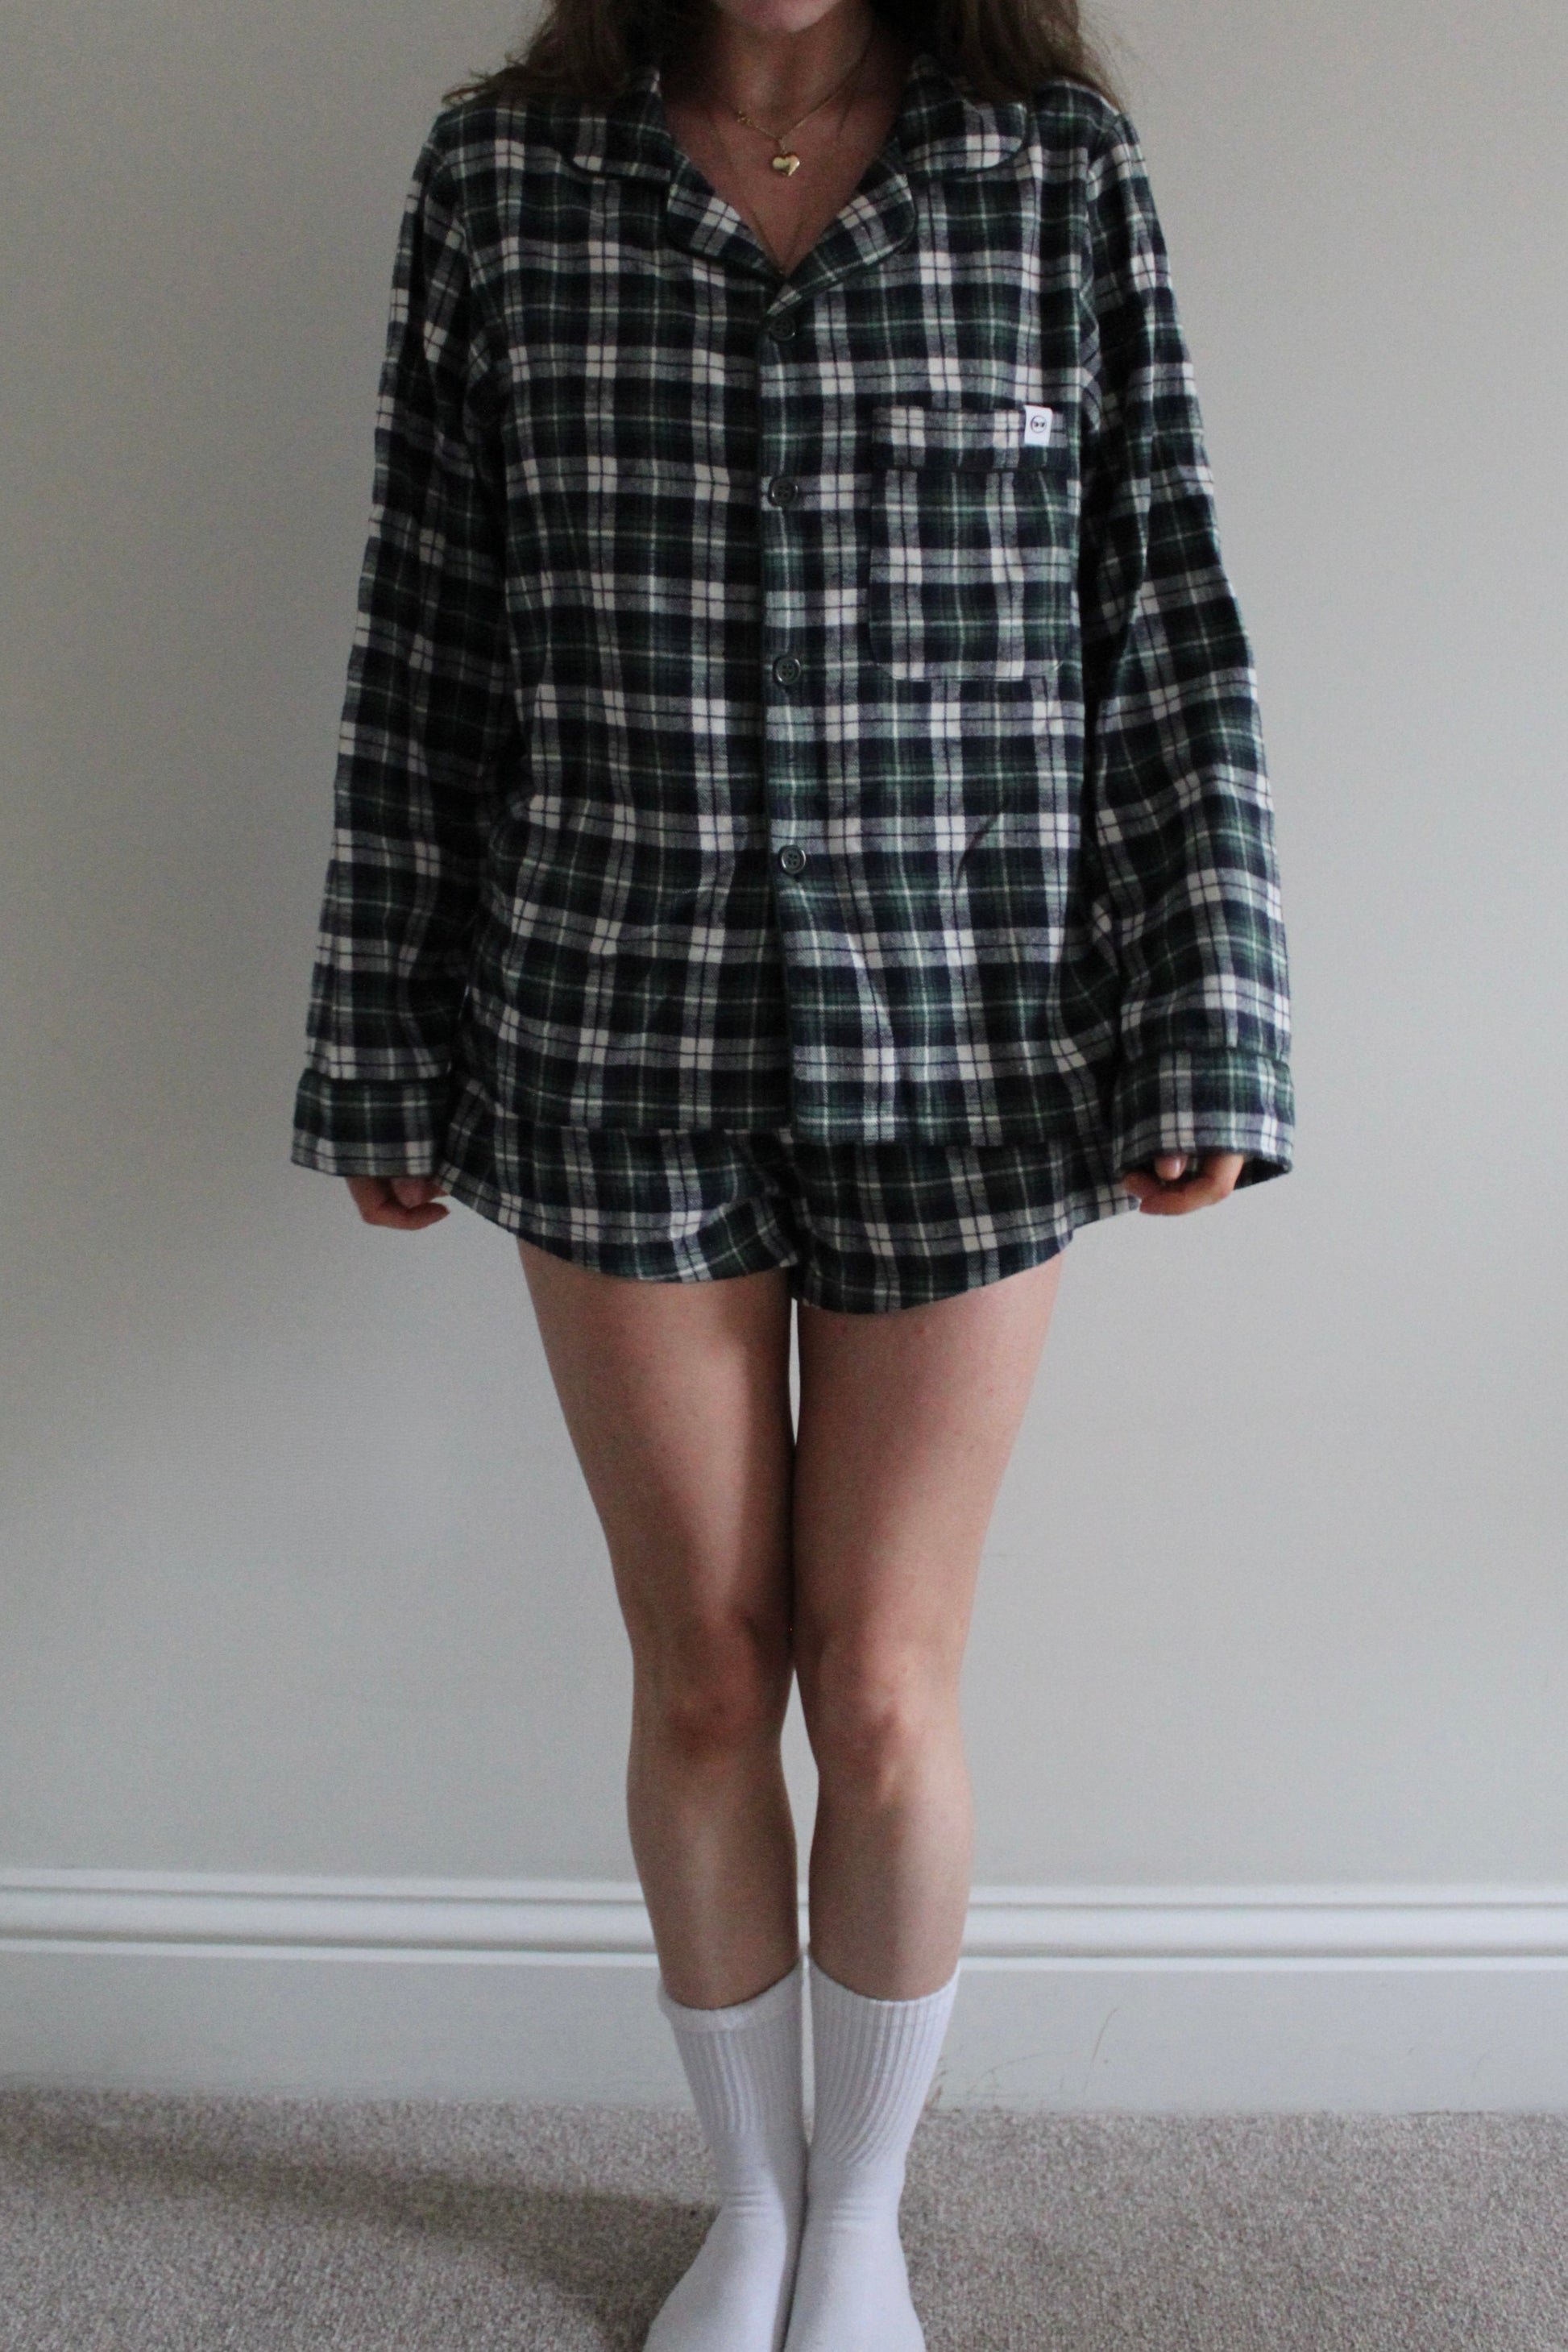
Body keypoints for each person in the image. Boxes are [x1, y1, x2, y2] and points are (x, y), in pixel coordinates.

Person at [289, 1, 1293, 2344]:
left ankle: (864, 2225)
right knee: (703, 1673)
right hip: (604, 1020)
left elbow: (1162, 613)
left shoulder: (1051, 179)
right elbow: (427, 627)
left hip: (976, 1033)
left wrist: (1212, 1023)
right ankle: (751, 2203)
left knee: (887, 1682)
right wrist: (378, 1048)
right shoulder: (505, 184)